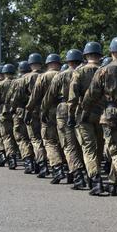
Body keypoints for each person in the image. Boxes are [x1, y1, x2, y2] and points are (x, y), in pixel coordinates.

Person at [81, 37, 117, 198]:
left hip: (111, 114)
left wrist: (85, 111)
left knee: (116, 152)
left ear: (111, 51)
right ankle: (113, 182)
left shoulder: (104, 70)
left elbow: (92, 94)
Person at [42, 50, 85, 185]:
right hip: (81, 109)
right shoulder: (84, 73)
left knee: (68, 144)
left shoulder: (61, 75)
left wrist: (43, 110)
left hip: (63, 109)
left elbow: (50, 95)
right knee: (80, 143)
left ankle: (77, 175)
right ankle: (77, 172)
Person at [68, 42, 105, 192]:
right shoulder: (104, 70)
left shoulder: (79, 72)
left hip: (84, 114)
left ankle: (95, 179)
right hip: (101, 113)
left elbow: (73, 96)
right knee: (99, 147)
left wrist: (71, 114)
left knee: (88, 147)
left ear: (86, 55)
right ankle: (96, 174)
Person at [27, 54, 63, 179]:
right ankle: (69, 169)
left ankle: (54, 167)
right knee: (64, 141)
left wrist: (28, 110)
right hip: (63, 110)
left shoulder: (43, 77)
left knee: (48, 140)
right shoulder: (65, 74)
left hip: (46, 111)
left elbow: (35, 96)